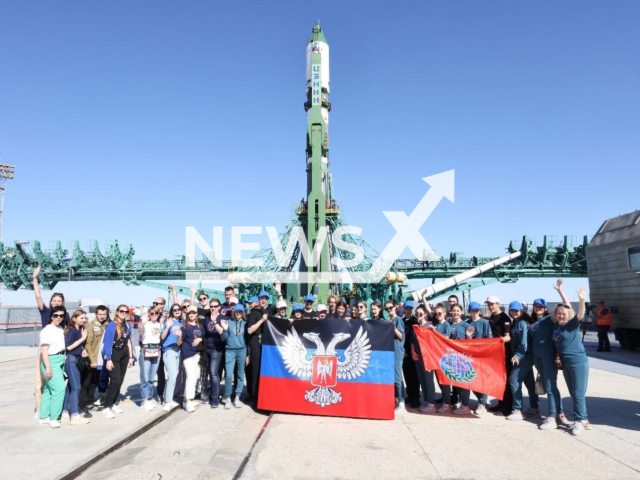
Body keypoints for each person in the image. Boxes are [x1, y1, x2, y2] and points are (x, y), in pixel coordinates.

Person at [530, 283, 571, 430]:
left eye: (541, 306)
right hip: (538, 358)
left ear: (545, 308)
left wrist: (560, 291)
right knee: (550, 386)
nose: (538, 308)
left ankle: (552, 416)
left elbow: (567, 308)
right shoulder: (533, 322)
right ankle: (560, 413)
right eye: (536, 306)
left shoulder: (550, 319)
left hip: (548, 357)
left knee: (550, 386)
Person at [32, 265, 70, 417]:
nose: (56, 302)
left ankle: (52, 407)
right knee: (40, 378)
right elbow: (38, 296)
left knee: (55, 379)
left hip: (59, 350)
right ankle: (39, 406)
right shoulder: (46, 311)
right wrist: (35, 278)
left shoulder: (64, 315)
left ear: (62, 302)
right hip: (45, 348)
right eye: (54, 300)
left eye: (59, 300)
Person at [552, 287, 591, 436]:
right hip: (565, 363)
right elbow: (566, 306)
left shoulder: (572, 325)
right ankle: (585, 418)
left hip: (578, 361)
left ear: (567, 315)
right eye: (558, 313)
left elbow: (580, 314)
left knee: (578, 393)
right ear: (556, 315)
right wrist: (560, 291)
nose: (561, 316)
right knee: (574, 393)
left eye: (563, 314)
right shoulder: (556, 327)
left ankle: (579, 421)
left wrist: (582, 299)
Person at [506, 301, 539, 421]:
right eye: (512, 310)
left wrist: (517, 356)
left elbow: (524, 343)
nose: (515, 312)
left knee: (514, 380)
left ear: (521, 311)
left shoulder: (522, 324)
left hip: (524, 357)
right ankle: (535, 408)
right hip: (524, 356)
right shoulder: (516, 322)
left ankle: (518, 409)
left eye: (517, 310)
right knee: (529, 382)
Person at [101, 304, 134, 419]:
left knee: (120, 380)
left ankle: (113, 403)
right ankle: (106, 407)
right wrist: (108, 359)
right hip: (114, 353)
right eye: (121, 311)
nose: (124, 313)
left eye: (126, 311)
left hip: (124, 353)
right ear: (117, 312)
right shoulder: (112, 325)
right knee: (114, 381)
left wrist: (131, 357)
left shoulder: (127, 325)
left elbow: (129, 341)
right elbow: (108, 343)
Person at [37, 306, 68, 428]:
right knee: (59, 389)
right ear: (51, 316)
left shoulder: (60, 329)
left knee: (48, 390)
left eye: (61, 315)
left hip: (60, 359)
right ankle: (54, 418)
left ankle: (43, 416)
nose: (59, 318)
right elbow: (44, 350)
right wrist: (48, 367)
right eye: (56, 315)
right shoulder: (47, 330)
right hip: (51, 360)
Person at [62, 309, 91, 425]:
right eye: (81, 318)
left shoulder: (79, 330)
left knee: (70, 387)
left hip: (76, 359)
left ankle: (64, 412)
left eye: (85, 318)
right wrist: (83, 338)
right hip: (71, 360)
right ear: (74, 318)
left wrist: (83, 350)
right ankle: (74, 415)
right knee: (76, 387)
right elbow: (68, 347)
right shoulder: (72, 331)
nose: (84, 320)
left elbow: (77, 346)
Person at [486, 295, 513, 415]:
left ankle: (508, 407)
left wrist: (497, 341)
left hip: (504, 353)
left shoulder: (504, 317)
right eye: (488, 304)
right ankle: (501, 403)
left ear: (498, 303)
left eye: (492, 304)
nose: (490, 306)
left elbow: (508, 337)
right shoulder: (492, 317)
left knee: (505, 381)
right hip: (495, 354)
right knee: (498, 380)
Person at [465, 301, 492, 414]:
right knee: (470, 379)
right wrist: (468, 337)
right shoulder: (467, 323)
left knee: (482, 380)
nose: (475, 312)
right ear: (469, 312)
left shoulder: (484, 322)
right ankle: (480, 399)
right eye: (472, 310)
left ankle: (483, 402)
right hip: (470, 356)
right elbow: (465, 341)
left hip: (481, 355)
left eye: (476, 310)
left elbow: (489, 339)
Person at [411, 305, 439, 414]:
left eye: (421, 314)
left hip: (427, 358)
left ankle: (431, 403)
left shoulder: (429, 328)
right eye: (417, 314)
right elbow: (412, 341)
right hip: (418, 358)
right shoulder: (416, 328)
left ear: (425, 315)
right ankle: (427, 401)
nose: (419, 316)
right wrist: (413, 351)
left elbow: (434, 343)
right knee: (422, 381)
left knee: (428, 382)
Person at [246, 290, 272, 404]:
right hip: (256, 343)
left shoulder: (269, 311)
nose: (264, 300)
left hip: (266, 345)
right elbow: (250, 330)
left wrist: (279, 292)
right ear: (258, 299)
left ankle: (264, 397)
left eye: (266, 298)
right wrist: (262, 320)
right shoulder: (254, 313)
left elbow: (281, 308)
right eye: (262, 298)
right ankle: (255, 398)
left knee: (265, 372)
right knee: (255, 372)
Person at [221, 304, 249, 409]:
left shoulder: (246, 324)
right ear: (234, 312)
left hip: (242, 351)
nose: (238, 313)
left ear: (243, 312)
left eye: (240, 311)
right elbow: (223, 339)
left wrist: (248, 354)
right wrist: (224, 329)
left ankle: (237, 396)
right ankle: (228, 397)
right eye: (237, 311)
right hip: (230, 351)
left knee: (240, 375)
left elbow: (248, 339)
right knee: (228, 375)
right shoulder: (229, 322)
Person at [84, 305, 109, 413]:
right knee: (92, 381)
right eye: (100, 314)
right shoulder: (90, 325)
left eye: (104, 314)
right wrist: (92, 360)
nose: (102, 317)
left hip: (105, 358)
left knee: (104, 379)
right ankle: (89, 401)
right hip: (95, 358)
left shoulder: (109, 325)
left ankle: (102, 398)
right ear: (96, 314)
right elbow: (88, 344)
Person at [448, 304, 473, 415]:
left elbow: (470, 342)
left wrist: (468, 336)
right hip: (452, 357)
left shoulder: (466, 325)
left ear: (461, 312)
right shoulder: (448, 324)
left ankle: (466, 405)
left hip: (463, 358)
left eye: (458, 311)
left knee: (464, 382)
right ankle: (460, 401)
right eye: (454, 311)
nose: (456, 313)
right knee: (456, 381)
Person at [179, 306, 204, 412]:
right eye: (190, 313)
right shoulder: (185, 327)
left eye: (194, 312)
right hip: (187, 353)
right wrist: (179, 336)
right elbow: (179, 343)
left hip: (197, 353)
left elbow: (204, 336)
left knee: (195, 376)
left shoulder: (200, 326)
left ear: (197, 314)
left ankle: (187, 399)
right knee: (190, 376)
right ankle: (188, 401)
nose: (192, 314)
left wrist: (200, 339)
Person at [139, 306, 162, 411]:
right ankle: (144, 399)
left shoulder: (160, 324)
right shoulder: (146, 324)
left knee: (152, 376)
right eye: (152, 313)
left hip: (156, 349)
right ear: (149, 314)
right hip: (146, 348)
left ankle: (149, 396)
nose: (154, 315)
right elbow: (139, 332)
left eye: (156, 313)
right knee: (145, 375)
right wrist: (142, 322)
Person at [384, 301, 405, 414]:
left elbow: (401, 336)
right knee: (395, 377)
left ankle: (402, 402)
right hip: (391, 351)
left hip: (397, 351)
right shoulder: (391, 320)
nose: (389, 310)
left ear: (395, 307)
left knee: (397, 378)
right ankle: (398, 399)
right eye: (387, 308)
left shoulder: (398, 320)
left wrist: (393, 328)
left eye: (391, 307)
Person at [161, 304, 183, 411]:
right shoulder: (169, 322)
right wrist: (168, 326)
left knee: (174, 375)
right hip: (169, 350)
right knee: (172, 375)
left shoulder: (182, 322)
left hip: (178, 350)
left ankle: (168, 398)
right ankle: (167, 401)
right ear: (172, 311)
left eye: (179, 309)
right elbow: (162, 336)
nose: (177, 311)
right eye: (175, 310)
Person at [431, 304, 453, 413]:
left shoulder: (446, 325)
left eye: (440, 313)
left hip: (444, 356)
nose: (437, 315)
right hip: (436, 356)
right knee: (439, 380)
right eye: (436, 313)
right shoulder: (435, 324)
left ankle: (446, 403)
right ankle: (445, 400)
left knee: (445, 381)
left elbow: (446, 340)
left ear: (444, 313)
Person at [205, 298, 225, 408]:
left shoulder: (222, 318)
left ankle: (215, 398)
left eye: (215, 306)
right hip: (207, 348)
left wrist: (215, 321)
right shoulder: (207, 318)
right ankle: (213, 394)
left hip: (217, 349)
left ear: (219, 307)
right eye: (211, 306)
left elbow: (222, 332)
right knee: (213, 373)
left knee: (213, 372)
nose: (213, 308)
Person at [401, 301, 421, 409]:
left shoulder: (415, 321)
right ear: (403, 309)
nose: (408, 310)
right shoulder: (402, 321)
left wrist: (411, 351)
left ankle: (416, 397)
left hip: (412, 352)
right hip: (403, 352)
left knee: (414, 376)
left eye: (410, 308)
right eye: (406, 308)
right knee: (407, 375)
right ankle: (410, 395)